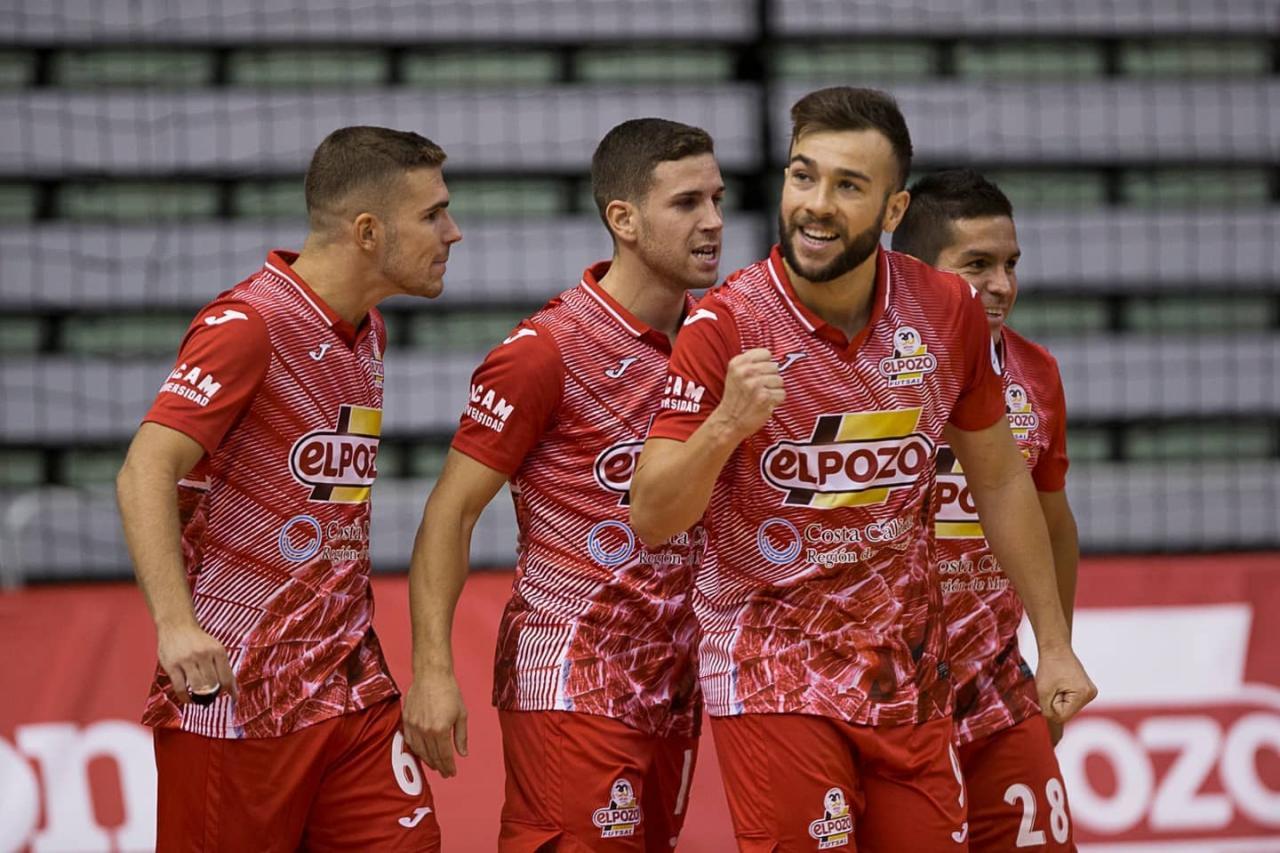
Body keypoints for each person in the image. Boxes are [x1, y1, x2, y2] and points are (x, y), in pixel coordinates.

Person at [630, 87, 1096, 850]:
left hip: (905, 673)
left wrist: (1055, 641)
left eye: (848, 186)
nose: (816, 204)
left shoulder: (945, 308)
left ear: (892, 210)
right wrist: (725, 427)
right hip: (772, 668)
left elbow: (1003, 480)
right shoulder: (727, 323)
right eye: (803, 175)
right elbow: (651, 515)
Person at [115, 126, 461, 851]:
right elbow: (145, 467)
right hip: (238, 694)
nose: (453, 232)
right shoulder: (249, 325)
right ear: (368, 231)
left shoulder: (366, 332)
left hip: (348, 686)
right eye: (433, 214)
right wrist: (176, 625)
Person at [401, 118, 723, 850]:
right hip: (573, 673)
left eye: (717, 197)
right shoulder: (545, 351)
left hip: (676, 680)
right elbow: (450, 514)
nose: (713, 221)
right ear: (624, 219)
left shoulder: (720, 338)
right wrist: (431, 670)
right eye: (686, 203)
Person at [892, 169, 1079, 851]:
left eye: (1010, 264)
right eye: (978, 265)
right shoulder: (868, 372)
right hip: (887, 691)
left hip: (998, 686)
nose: (1002, 283)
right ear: (916, 272)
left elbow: (1056, 526)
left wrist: (1056, 653)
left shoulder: (1036, 370)